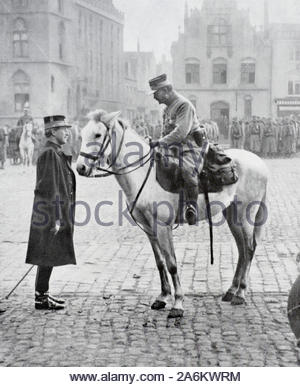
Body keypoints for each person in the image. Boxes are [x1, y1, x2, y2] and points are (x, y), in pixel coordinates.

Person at [25, 115, 76, 310]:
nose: (68, 132)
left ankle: (43, 294)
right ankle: (40, 298)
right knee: (46, 254)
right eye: (64, 129)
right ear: (53, 131)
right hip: (47, 213)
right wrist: (55, 217)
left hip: (51, 212)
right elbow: (50, 187)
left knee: (48, 254)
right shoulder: (49, 154)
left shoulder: (55, 152)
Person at [148, 74, 207, 225]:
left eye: (156, 93)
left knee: (187, 170)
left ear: (166, 90)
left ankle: (191, 207)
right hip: (171, 147)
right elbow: (164, 132)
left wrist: (159, 142)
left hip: (189, 147)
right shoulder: (166, 109)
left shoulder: (183, 105)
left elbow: (181, 133)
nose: (155, 97)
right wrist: (157, 145)